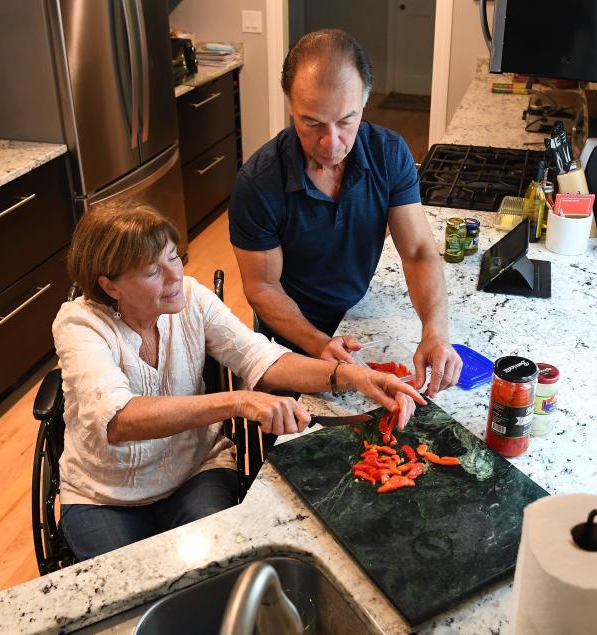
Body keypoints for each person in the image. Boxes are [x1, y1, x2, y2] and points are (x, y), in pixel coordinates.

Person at [52, 203, 425, 561]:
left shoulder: (193, 298)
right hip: (103, 494)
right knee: (130, 600)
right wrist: (239, 401)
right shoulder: (80, 325)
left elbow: (262, 358)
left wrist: (355, 377)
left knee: (215, 577)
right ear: (110, 286)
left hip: (195, 470)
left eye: (173, 256)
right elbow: (119, 421)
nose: (174, 276)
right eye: (152, 271)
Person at [229, 29, 462, 398]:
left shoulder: (389, 154)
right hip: (291, 339)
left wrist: (435, 331)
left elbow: (417, 252)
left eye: (346, 120)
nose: (331, 142)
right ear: (290, 106)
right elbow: (262, 287)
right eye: (312, 123)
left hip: (357, 315)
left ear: (364, 103)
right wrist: (320, 343)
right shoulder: (258, 183)